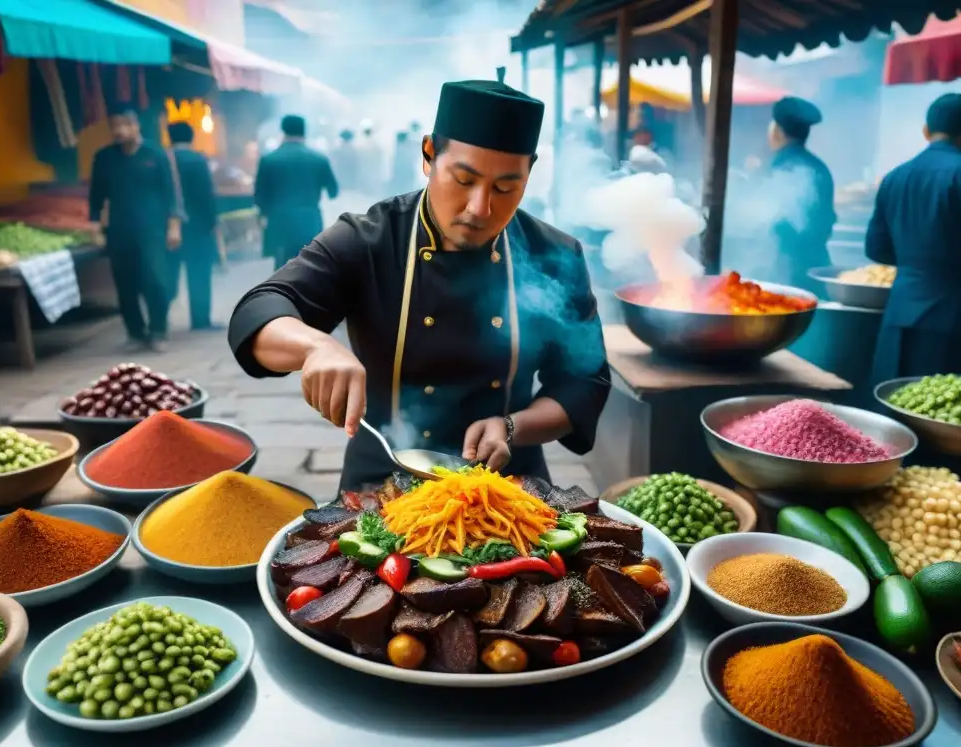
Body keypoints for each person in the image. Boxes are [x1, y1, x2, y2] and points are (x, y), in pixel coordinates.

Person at [228, 80, 611, 492]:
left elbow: (584, 380)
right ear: (429, 155)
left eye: (505, 188)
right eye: (463, 180)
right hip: (382, 480)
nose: (479, 208)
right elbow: (260, 309)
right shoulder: (369, 239)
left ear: (528, 174)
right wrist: (314, 347)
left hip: (511, 482)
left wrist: (512, 426)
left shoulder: (554, 254)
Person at [868, 93, 961, 384]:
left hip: (898, 313)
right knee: (940, 416)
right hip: (955, 318)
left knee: (891, 408)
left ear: (926, 131)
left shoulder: (895, 176)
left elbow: (875, 248)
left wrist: (916, 261)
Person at [88, 103, 181, 352]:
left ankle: (159, 330)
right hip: (119, 228)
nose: (118, 131)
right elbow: (96, 196)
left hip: (153, 229)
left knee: (156, 280)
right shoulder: (104, 158)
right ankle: (136, 333)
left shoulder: (155, 154)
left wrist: (174, 227)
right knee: (124, 281)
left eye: (123, 125)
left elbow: (171, 193)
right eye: (114, 126)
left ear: (135, 125)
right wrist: (96, 226)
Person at [761, 96, 837, 293]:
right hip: (815, 270)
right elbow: (826, 222)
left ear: (777, 132)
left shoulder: (775, 168)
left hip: (779, 273)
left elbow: (763, 226)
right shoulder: (819, 168)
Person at [255, 115, 339, 270]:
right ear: (304, 131)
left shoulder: (269, 159)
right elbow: (333, 191)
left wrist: (264, 215)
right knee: (309, 267)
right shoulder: (319, 159)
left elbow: (259, 196)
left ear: (283, 131)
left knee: (281, 270)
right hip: (309, 220)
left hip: (279, 221)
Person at [165, 122, 220, 331]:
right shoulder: (198, 159)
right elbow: (207, 194)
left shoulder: (164, 159)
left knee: (169, 271)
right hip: (198, 225)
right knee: (199, 273)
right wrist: (212, 222)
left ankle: (160, 318)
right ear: (192, 137)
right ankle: (200, 319)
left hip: (170, 227)